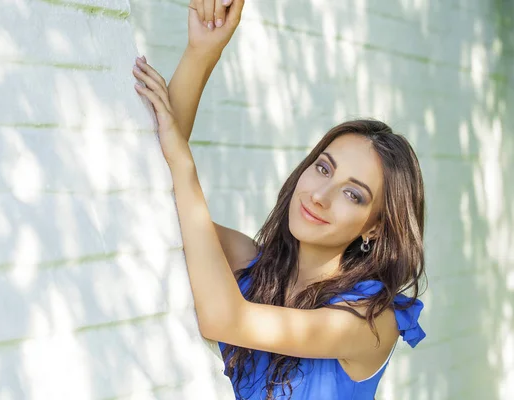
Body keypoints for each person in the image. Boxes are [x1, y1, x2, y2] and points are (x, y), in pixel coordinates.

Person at [131, 1, 427, 398]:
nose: (320, 196)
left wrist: (186, 164)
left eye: (353, 194)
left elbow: (224, 320)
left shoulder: (370, 321)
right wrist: (203, 52)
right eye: (323, 168)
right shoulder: (249, 267)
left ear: (375, 225)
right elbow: (158, 191)